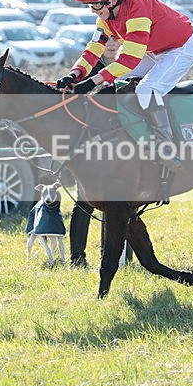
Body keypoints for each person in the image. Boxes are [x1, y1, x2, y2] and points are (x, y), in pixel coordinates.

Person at [55, 0, 193, 202]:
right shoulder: (106, 14)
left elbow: (129, 59)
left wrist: (92, 82)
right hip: (153, 50)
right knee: (117, 84)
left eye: (96, 4)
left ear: (113, 0)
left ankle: (166, 147)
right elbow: (94, 48)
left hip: (179, 48)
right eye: (90, 5)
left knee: (146, 89)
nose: (93, 10)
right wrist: (76, 74)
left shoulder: (137, 8)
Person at [67, 37, 122, 267]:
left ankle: (110, 255)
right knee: (84, 200)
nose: (111, 44)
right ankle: (77, 257)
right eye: (107, 40)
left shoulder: (128, 65)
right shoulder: (90, 68)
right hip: (90, 141)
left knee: (118, 202)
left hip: (121, 141)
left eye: (115, 39)